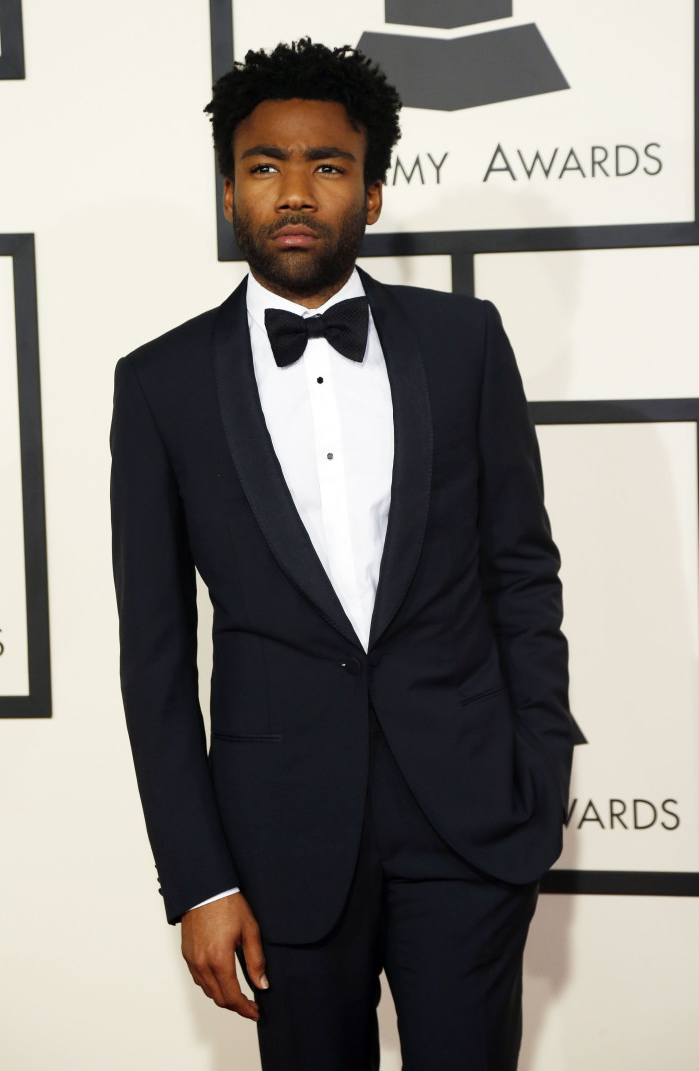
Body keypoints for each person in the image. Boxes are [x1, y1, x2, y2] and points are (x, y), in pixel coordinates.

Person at [110, 38, 573, 1071]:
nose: (293, 192)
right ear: (229, 190)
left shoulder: (463, 346)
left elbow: (520, 574)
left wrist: (535, 776)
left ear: (369, 194)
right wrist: (199, 879)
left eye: (327, 166)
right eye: (265, 165)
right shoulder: (161, 384)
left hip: (467, 824)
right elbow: (153, 656)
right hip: (277, 843)